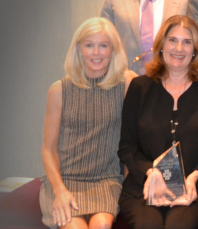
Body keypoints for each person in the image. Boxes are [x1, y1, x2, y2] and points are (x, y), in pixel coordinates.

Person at [118, 15, 198, 229]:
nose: (179, 48)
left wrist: (194, 177)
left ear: (195, 49)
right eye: (172, 40)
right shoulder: (139, 88)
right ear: (161, 45)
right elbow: (127, 147)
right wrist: (150, 172)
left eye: (187, 42)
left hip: (197, 187)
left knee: (178, 225)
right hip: (145, 186)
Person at [40, 17, 134, 228]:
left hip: (106, 180)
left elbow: (134, 141)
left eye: (103, 45)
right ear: (78, 49)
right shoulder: (59, 90)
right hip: (66, 180)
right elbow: (48, 150)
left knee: (102, 224)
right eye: (89, 45)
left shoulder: (126, 87)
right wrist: (59, 190)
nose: (96, 53)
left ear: (113, 50)